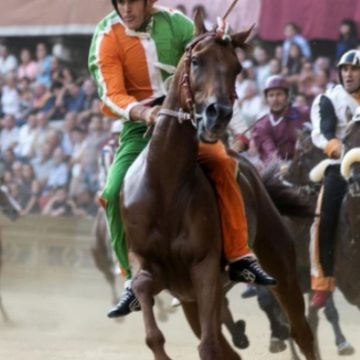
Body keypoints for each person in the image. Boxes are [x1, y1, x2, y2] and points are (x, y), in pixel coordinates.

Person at [89, 0, 276, 318]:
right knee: (111, 191)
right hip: (138, 129)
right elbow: (109, 94)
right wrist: (144, 111)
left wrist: (219, 37)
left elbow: (203, 49)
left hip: (186, 121)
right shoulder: (106, 34)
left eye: (133, 2)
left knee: (224, 164)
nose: (126, 9)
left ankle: (240, 254)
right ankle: (131, 280)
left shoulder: (175, 23)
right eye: (120, 3)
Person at [309, 49, 360, 309]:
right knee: (324, 215)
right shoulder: (329, 99)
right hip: (342, 165)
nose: (348, 74)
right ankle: (324, 279)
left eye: (354, 69)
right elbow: (321, 132)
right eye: (345, 69)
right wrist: (337, 147)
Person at [252, 75, 309, 163]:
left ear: (287, 96)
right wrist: (281, 165)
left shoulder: (303, 113)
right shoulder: (261, 125)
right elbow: (269, 151)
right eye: (271, 95)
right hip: (276, 169)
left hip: (304, 164)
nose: (275, 99)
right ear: (266, 99)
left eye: (279, 94)